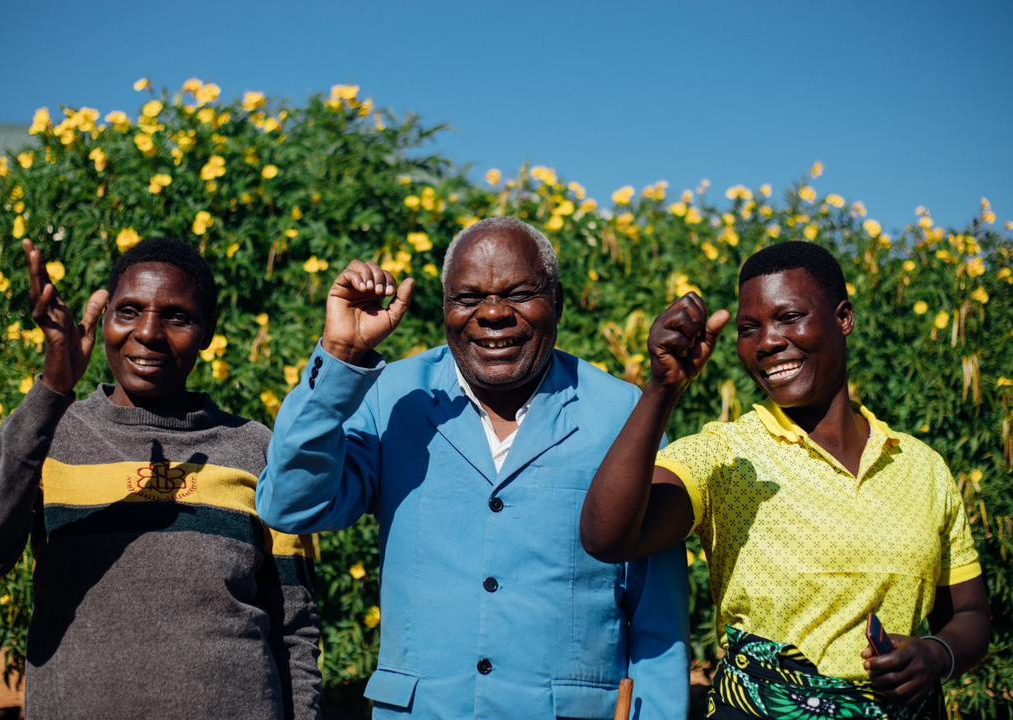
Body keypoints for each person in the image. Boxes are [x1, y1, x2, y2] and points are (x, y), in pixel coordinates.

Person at [257, 217, 689, 719]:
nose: (492, 314)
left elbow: (658, 614)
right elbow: (290, 505)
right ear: (445, 310)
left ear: (559, 303)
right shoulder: (393, 397)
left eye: (520, 293)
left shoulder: (620, 413)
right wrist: (340, 356)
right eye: (467, 299)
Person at [581, 241, 991, 719]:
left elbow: (971, 617)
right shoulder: (725, 456)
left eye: (789, 317)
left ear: (843, 319)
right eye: (748, 329)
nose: (768, 341)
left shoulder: (921, 468)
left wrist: (936, 655)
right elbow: (606, 536)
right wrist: (662, 389)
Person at [0, 238, 322, 719]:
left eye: (177, 317)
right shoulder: (42, 436)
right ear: (103, 322)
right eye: (128, 311)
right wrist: (52, 391)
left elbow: (296, 628)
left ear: (208, 332)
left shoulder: (257, 450)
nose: (148, 333)